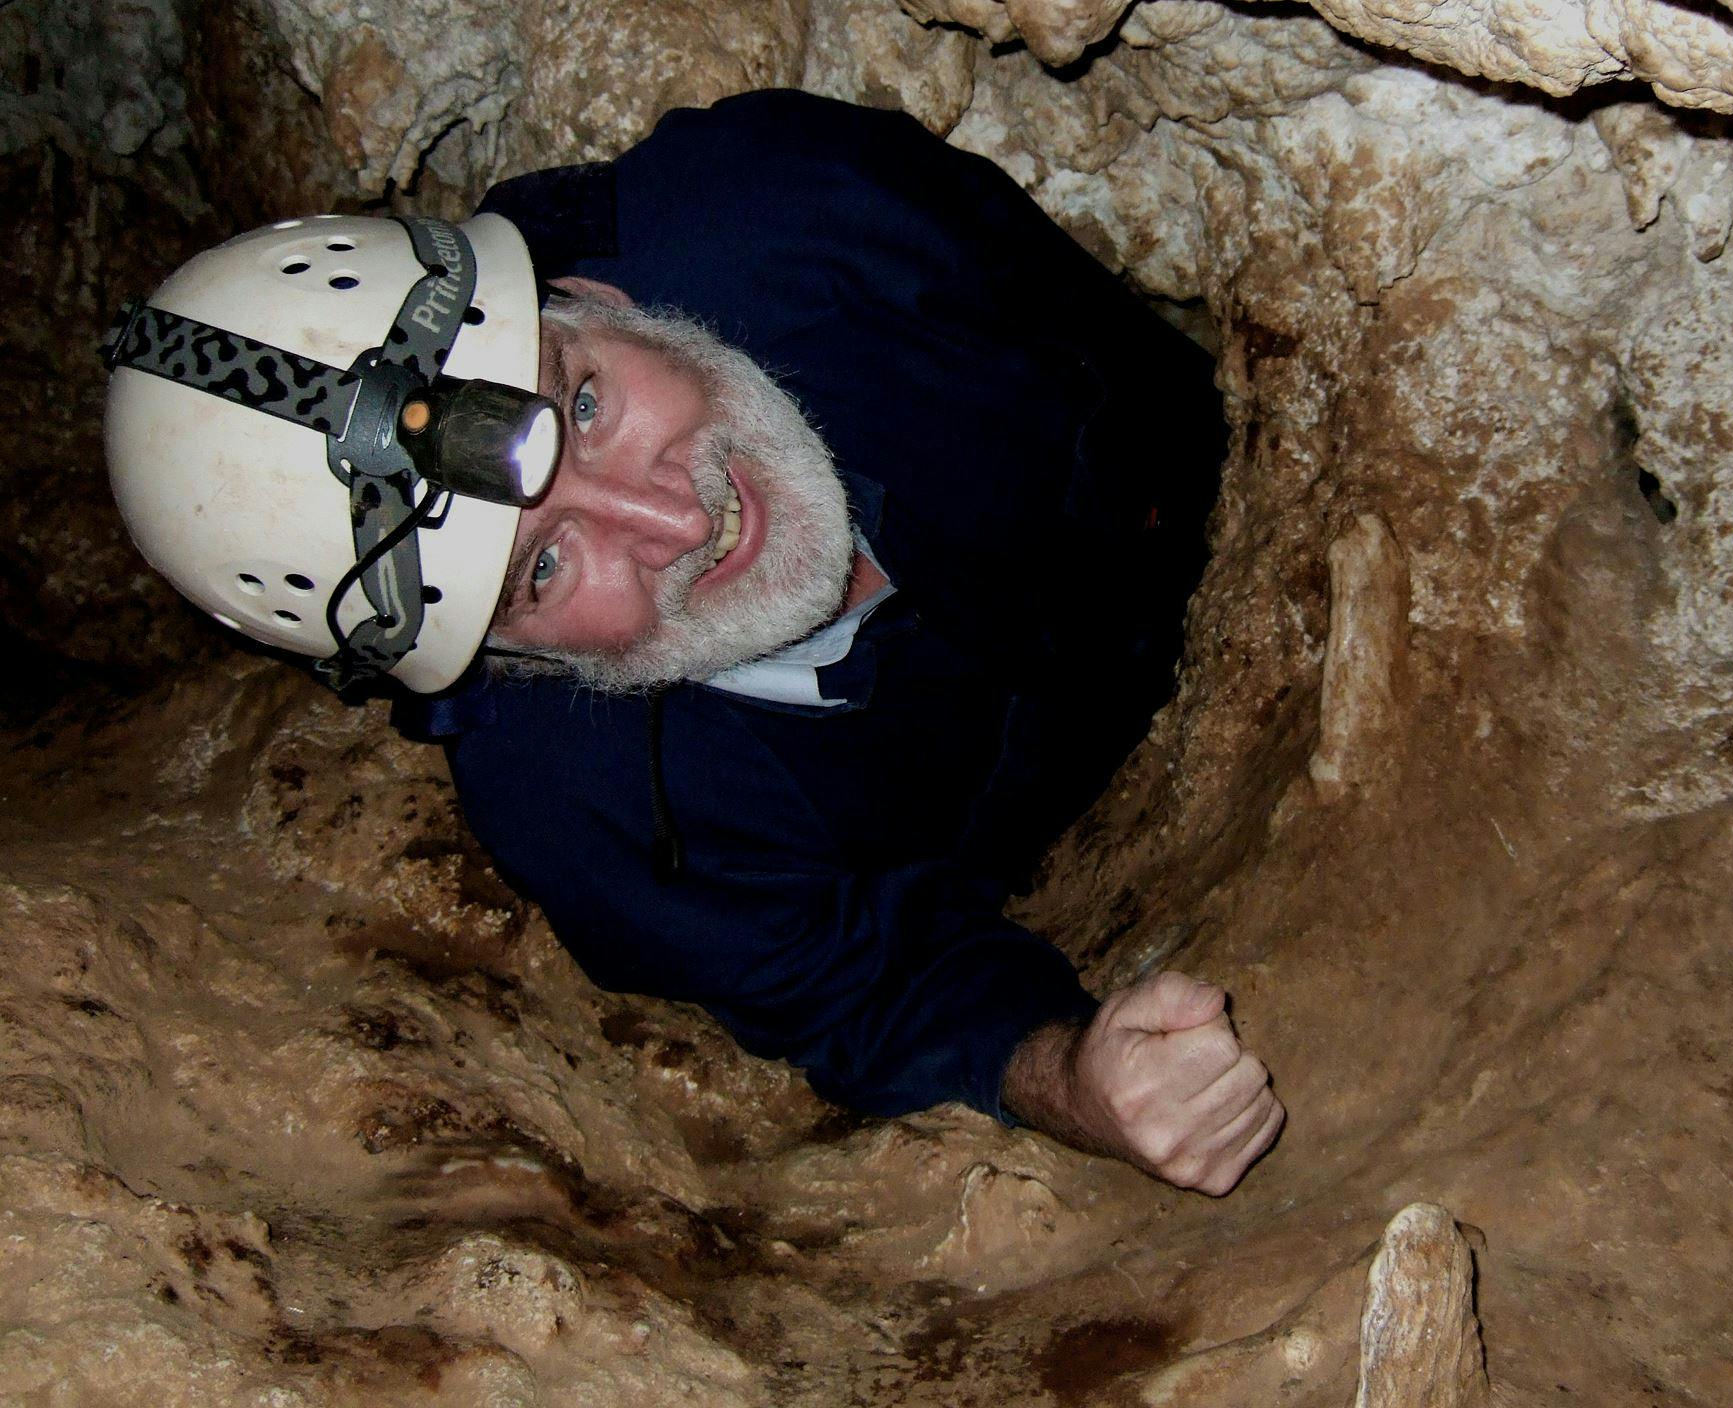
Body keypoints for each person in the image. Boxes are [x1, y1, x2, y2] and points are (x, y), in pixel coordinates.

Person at [103, 90, 1284, 1195]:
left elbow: (1091, 312)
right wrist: (1070, 1076)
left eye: (584, 407)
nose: (674, 520)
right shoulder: (593, 814)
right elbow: (858, 989)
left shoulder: (797, 214)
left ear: (591, 299)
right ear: (506, 664)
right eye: (544, 569)